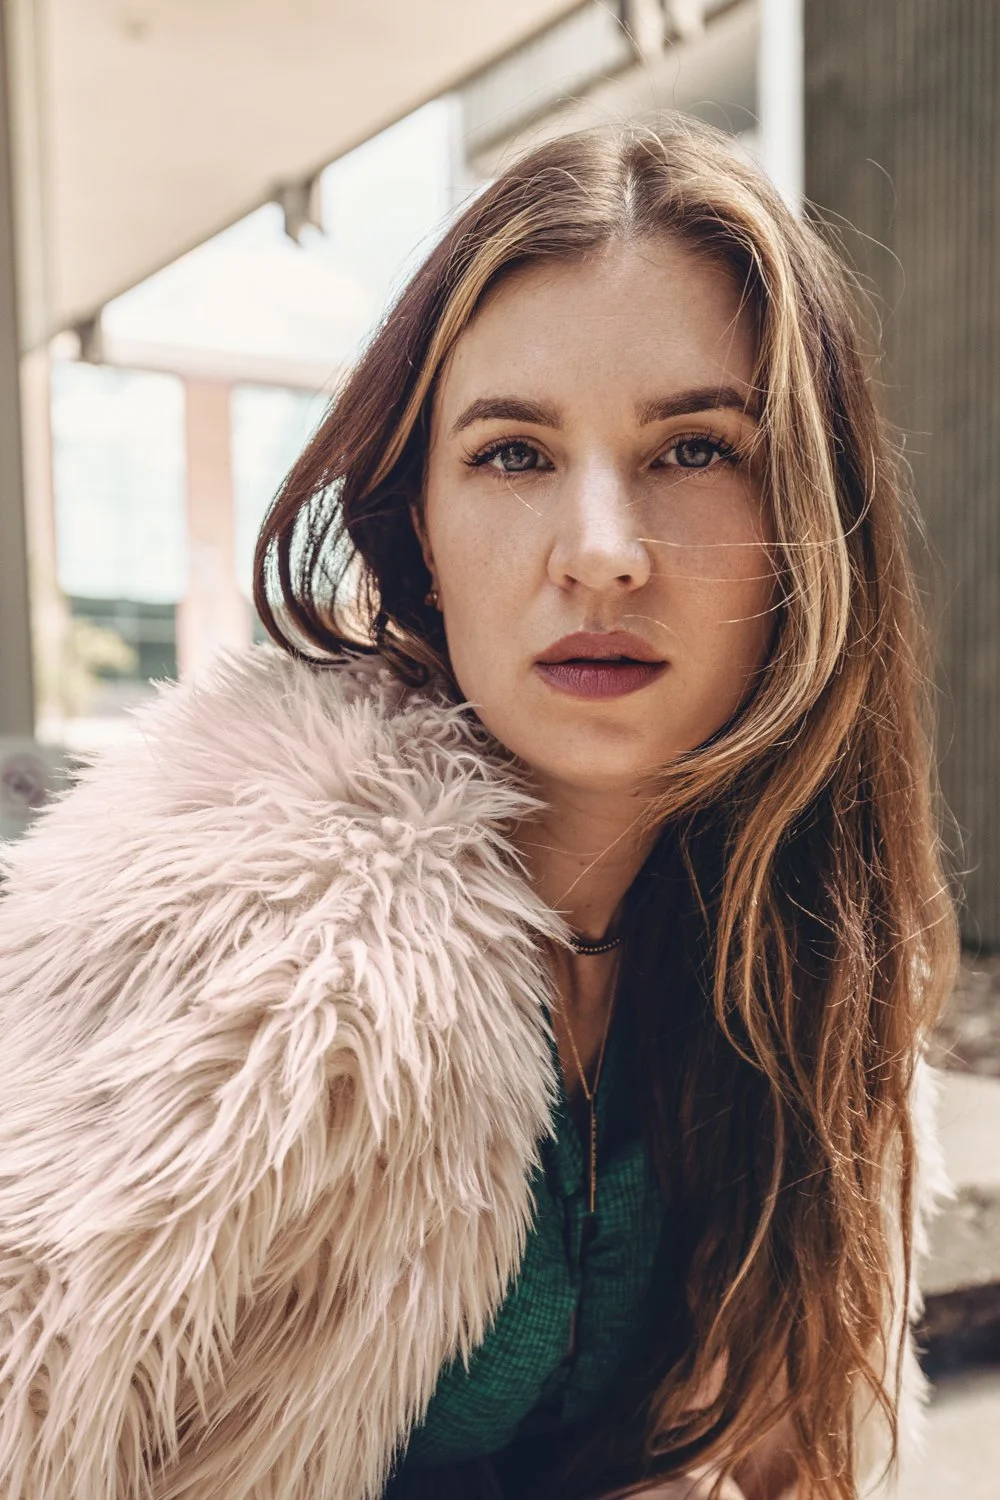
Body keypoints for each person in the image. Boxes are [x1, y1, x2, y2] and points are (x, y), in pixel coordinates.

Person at [0, 119, 958, 1500]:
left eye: (694, 450)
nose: (604, 554)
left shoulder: (811, 951)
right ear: (421, 536)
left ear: (811, 527)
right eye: (514, 456)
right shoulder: (240, 952)